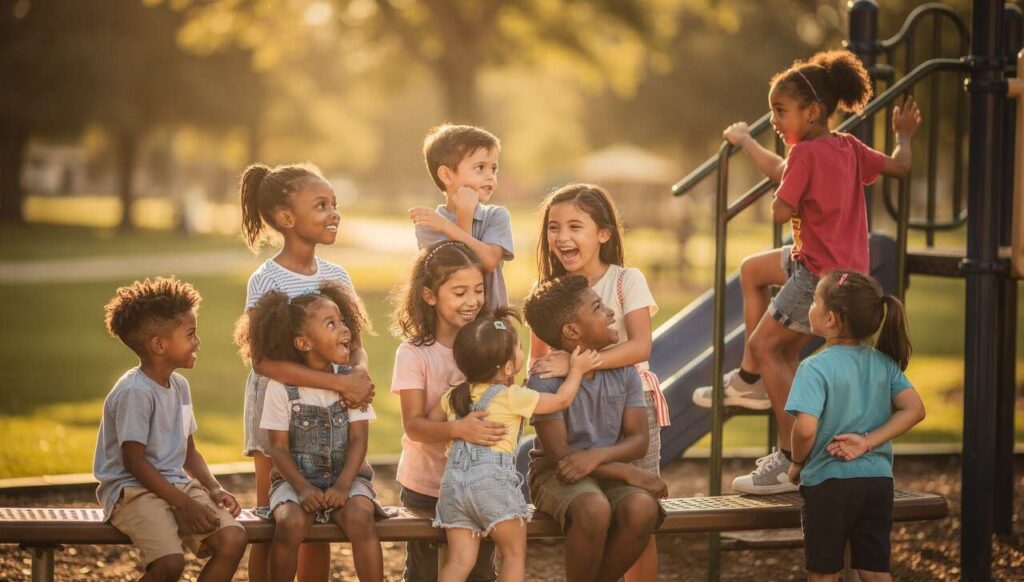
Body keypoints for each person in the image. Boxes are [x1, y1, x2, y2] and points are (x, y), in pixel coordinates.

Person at [690, 49, 922, 495]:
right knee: (752, 271)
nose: (773, 119)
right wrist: (904, 136)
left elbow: (781, 209)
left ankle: (790, 456)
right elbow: (900, 166)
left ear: (812, 111)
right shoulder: (847, 147)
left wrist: (784, 199)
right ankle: (750, 381)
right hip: (843, 271)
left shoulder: (804, 156)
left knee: (768, 347)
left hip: (817, 277)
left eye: (780, 110)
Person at [237, 162, 375, 581]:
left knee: (322, 519)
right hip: (276, 411)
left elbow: (355, 346)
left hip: (331, 413)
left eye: (334, 204)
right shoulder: (266, 279)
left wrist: (360, 376)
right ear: (286, 217)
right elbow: (262, 361)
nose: (334, 213)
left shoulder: (337, 276)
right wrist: (338, 381)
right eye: (321, 205)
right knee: (272, 516)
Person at [529, 183, 668, 579]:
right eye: (554, 228)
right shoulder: (548, 295)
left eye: (575, 227)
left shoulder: (626, 281)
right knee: (599, 507)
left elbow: (640, 347)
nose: (562, 237)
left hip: (628, 403)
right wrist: (564, 372)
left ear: (603, 233)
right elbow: (539, 366)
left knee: (639, 512)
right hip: (571, 411)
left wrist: (580, 364)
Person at [429, 307, 601, 582]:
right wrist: (577, 371)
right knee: (512, 555)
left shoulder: (453, 396)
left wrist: (457, 429)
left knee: (459, 562)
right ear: (508, 367)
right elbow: (560, 401)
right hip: (492, 486)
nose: (522, 352)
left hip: (453, 488)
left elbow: (430, 423)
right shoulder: (513, 397)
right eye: (519, 348)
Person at [235, 281, 390, 582]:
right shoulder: (281, 388)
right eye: (332, 324)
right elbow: (277, 448)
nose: (345, 330)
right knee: (290, 522)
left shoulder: (351, 384)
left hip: (348, 478)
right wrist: (303, 488)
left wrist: (343, 486)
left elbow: (359, 441)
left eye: (342, 321)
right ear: (303, 343)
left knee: (361, 516)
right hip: (295, 481)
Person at [94, 277, 247, 581]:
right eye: (190, 333)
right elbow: (134, 462)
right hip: (133, 492)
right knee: (169, 563)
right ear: (159, 344)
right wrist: (184, 504)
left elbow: (189, 451)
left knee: (233, 539)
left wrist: (213, 488)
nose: (198, 341)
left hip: (176, 486)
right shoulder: (135, 392)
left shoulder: (179, 386)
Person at [786, 271, 926, 581]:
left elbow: (806, 429)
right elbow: (914, 410)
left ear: (831, 319)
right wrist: (867, 442)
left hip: (827, 484)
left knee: (824, 573)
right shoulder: (883, 363)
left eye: (814, 301)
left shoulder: (814, 367)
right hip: (877, 482)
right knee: (875, 570)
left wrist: (796, 463)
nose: (810, 306)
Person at [389, 240, 509, 582]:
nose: (472, 301)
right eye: (459, 292)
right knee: (425, 571)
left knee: (480, 570)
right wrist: (459, 429)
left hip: (479, 484)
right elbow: (414, 425)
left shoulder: (489, 343)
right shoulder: (414, 354)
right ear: (430, 296)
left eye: (477, 290)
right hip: (427, 486)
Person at [409, 124, 514, 311]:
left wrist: (451, 225)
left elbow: (489, 262)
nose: (490, 177)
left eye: (494, 169)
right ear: (447, 176)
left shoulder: (496, 216)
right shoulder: (428, 226)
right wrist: (461, 217)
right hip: (450, 327)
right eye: (480, 168)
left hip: (492, 327)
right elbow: (458, 270)